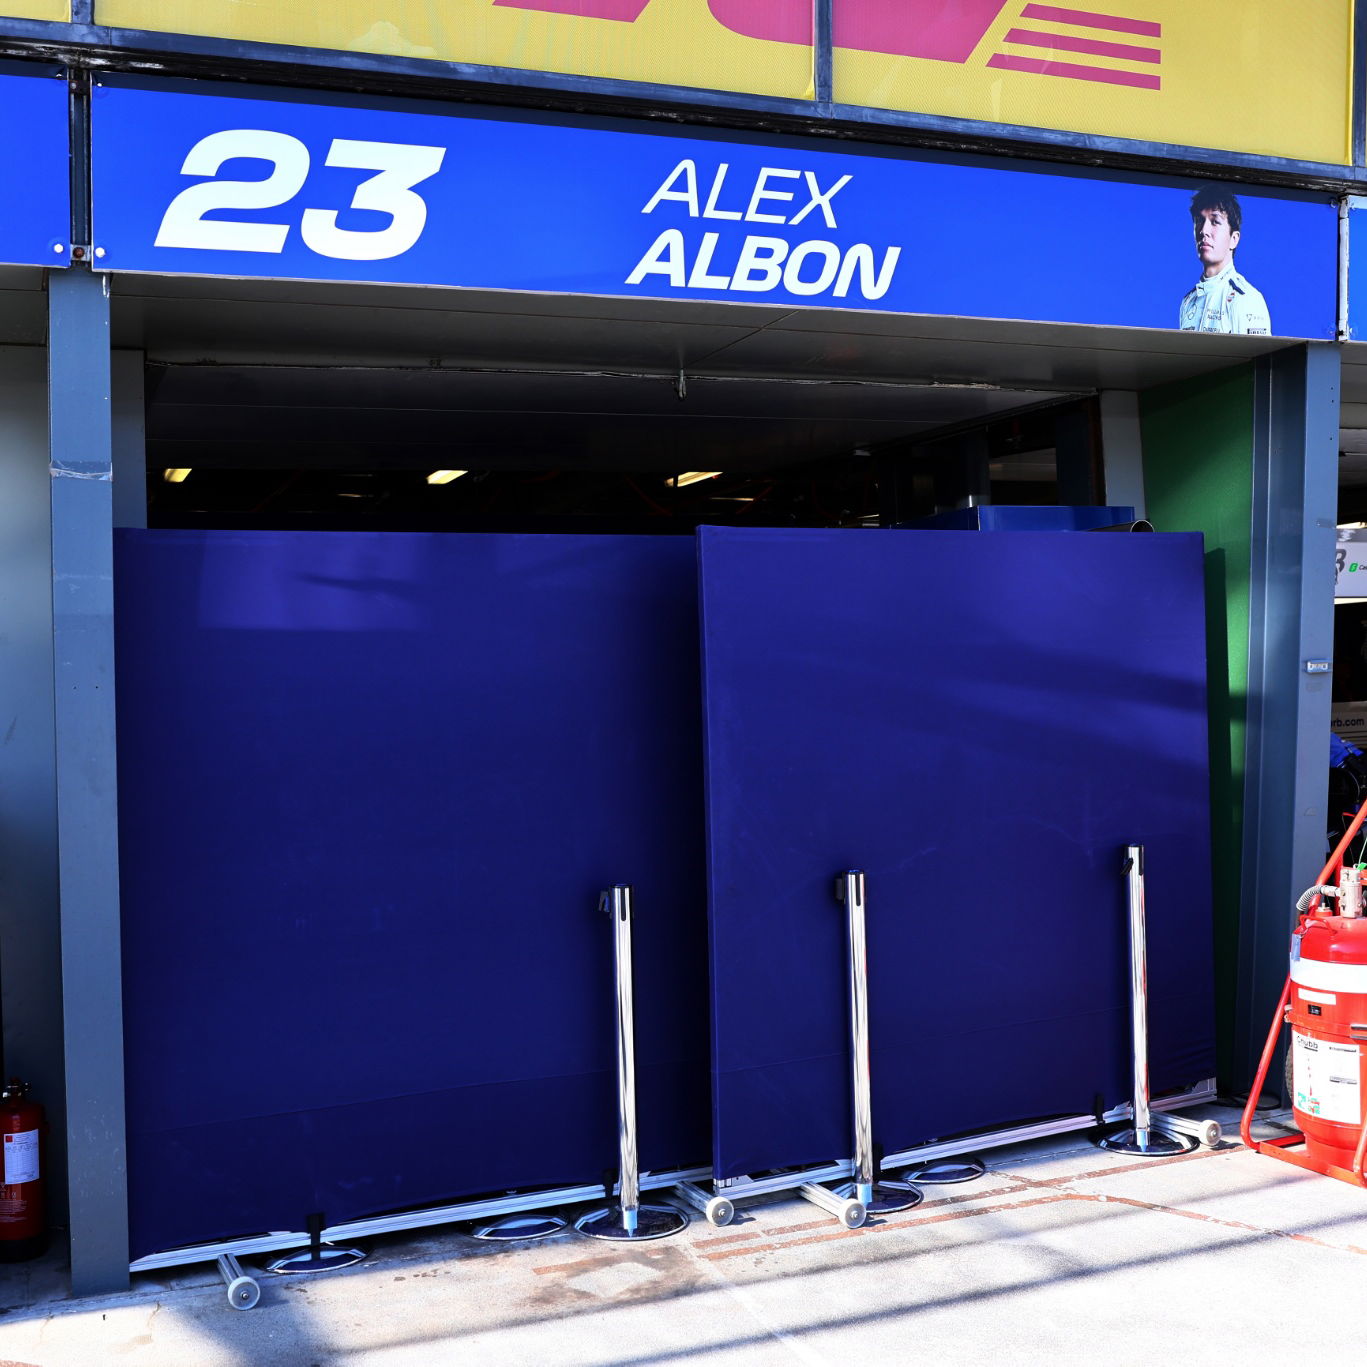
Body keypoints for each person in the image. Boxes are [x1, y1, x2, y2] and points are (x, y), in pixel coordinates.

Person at [1179, 187, 1271, 335]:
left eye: (1215, 222)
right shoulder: (1189, 301)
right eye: (1199, 221)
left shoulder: (1246, 299)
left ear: (1234, 239)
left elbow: (1258, 357)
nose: (1204, 230)